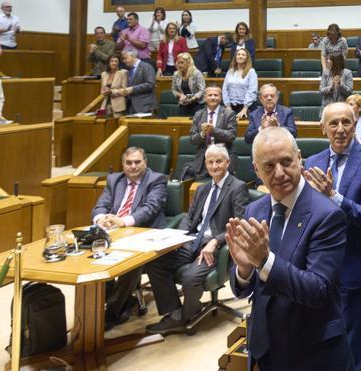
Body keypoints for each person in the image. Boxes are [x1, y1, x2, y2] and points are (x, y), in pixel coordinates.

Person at [227, 128, 353, 371]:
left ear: (299, 158)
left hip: (312, 352)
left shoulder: (327, 215)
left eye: (286, 162)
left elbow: (319, 290)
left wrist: (263, 261)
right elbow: (248, 286)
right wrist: (243, 270)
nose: (280, 173)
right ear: (256, 170)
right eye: (269, 166)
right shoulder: (254, 210)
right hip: (265, 347)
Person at [304, 102, 361, 370]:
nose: (340, 129)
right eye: (333, 123)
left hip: (355, 263)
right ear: (323, 128)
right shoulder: (312, 162)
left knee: (354, 337)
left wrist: (333, 196)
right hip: (318, 267)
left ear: (355, 125)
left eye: (346, 123)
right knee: (321, 335)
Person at [145, 144, 248, 335]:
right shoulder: (202, 189)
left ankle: (185, 316)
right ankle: (174, 312)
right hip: (192, 240)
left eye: (218, 161)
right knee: (155, 262)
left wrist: (215, 241)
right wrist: (179, 238)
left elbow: (239, 223)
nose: (214, 166)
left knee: (190, 277)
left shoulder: (237, 187)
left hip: (215, 245)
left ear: (227, 163)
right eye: (210, 162)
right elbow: (189, 217)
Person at [92, 146, 168, 328]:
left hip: (142, 232)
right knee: (92, 253)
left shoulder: (156, 180)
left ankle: (111, 313)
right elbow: (100, 205)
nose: (133, 166)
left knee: (132, 263)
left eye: (137, 162)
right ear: (123, 164)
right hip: (112, 232)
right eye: (129, 163)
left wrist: (122, 221)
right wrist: (102, 218)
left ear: (145, 163)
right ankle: (105, 301)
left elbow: (150, 208)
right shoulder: (114, 180)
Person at [184, 86, 237, 177]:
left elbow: (231, 136)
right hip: (203, 160)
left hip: (223, 158)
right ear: (205, 97)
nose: (213, 97)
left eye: (216, 95)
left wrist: (213, 131)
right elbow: (192, 139)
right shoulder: (199, 114)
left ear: (220, 98)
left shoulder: (229, 114)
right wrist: (203, 134)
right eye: (210, 95)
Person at [116, 49, 157, 115]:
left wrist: (132, 89)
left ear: (133, 56)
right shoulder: (129, 70)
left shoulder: (146, 66)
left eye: (125, 58)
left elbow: (150, 84)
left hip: (145, 106)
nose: (124, 61)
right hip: (131, 105)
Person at [222, 47, 258, 115]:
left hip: (247, 107)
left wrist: (245, 108)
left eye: (243, 55)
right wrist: (228, 106)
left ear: (247, 58)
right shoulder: (230, 71)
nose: (240, 56)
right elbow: (224, 89)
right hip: (230, 106)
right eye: (238, 54)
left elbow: (252, 90)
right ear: (235, 57)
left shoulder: (251, 72)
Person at [170, 52, 205, 117]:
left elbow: (202, 90)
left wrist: (193, 98)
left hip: (197, 103)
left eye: (182, 63)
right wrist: (180, 95)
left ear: (188, 63)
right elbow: (174, 89)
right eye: (178, 62)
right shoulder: (176, 74)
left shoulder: (196, 73)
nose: (180, 65)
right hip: (184, 103)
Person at [99, 53, 127, 117]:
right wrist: (104, 92)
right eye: (112, 61)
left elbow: (125, 90)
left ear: (119, 63)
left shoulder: (123, 73)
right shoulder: (104, 74)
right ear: (108, 63)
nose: (114, 63)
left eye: (116, 61)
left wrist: (112, 91)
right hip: (106, 104)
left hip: (118, 104)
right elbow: (102, 90)